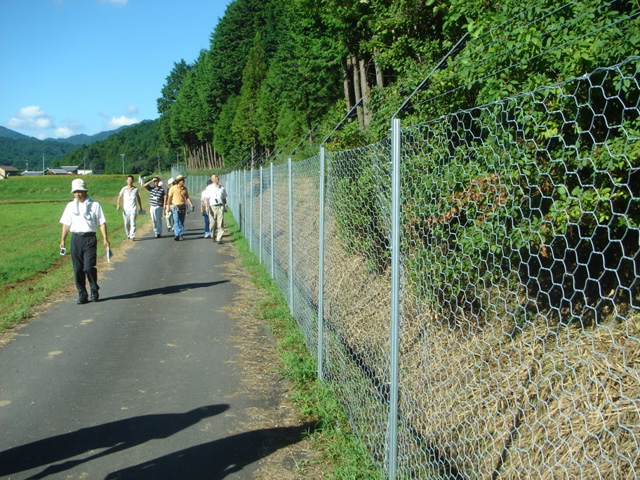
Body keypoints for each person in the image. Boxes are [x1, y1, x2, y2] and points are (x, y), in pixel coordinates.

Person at [59, 178, 110, 304]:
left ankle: (94, 288)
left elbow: (102, 222)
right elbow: (66, 224)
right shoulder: (70, 206)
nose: (78, 194)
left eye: (80, 191)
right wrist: (63, 240)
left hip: (90, 238)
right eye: (75, 192)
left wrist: (105, 238)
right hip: (76, 239)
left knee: (88, 267)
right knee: (78, 269)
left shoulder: (95, 205)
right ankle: (82, 294)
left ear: (85, 191)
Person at [166, 174, 194, 241]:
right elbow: (169, 198)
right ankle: (177, 234)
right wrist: (168, 207)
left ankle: (181, 234)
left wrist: (191, 205)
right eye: (182, 180)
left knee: (181, 221)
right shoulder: (172, 188)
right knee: (176, 220)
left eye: (183, 180)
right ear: (179, 181)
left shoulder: (184, 189)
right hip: (176, 207)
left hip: (183, 206)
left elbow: (187, 197)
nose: (183, 181)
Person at [116, 175, 143, 241]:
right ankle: (128, 234)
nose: (130, 181)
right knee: (126, 223)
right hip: (125, 209)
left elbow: (138, 198)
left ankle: (132, 236)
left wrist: (140, 206)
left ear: (133, 181)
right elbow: (119, 196)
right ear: (126, 181)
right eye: (128, 180)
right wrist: (118, 205)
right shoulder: (124, 189)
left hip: (133, 208)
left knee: (133, 222)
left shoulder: (136, 189)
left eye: (131, 180)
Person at [204, 174, 227, 244]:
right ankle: (213, 235)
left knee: (220, 223)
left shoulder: (222, 188)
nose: (217, 178)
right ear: (212, 180)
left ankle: (219, 238)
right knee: (212, 224)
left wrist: (225, 206)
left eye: (217, 177)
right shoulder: (209, 188)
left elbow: (224, 198)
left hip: (220, 206)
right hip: (212, 207)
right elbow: (206, 198)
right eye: (216, 177)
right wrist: (207, 207)